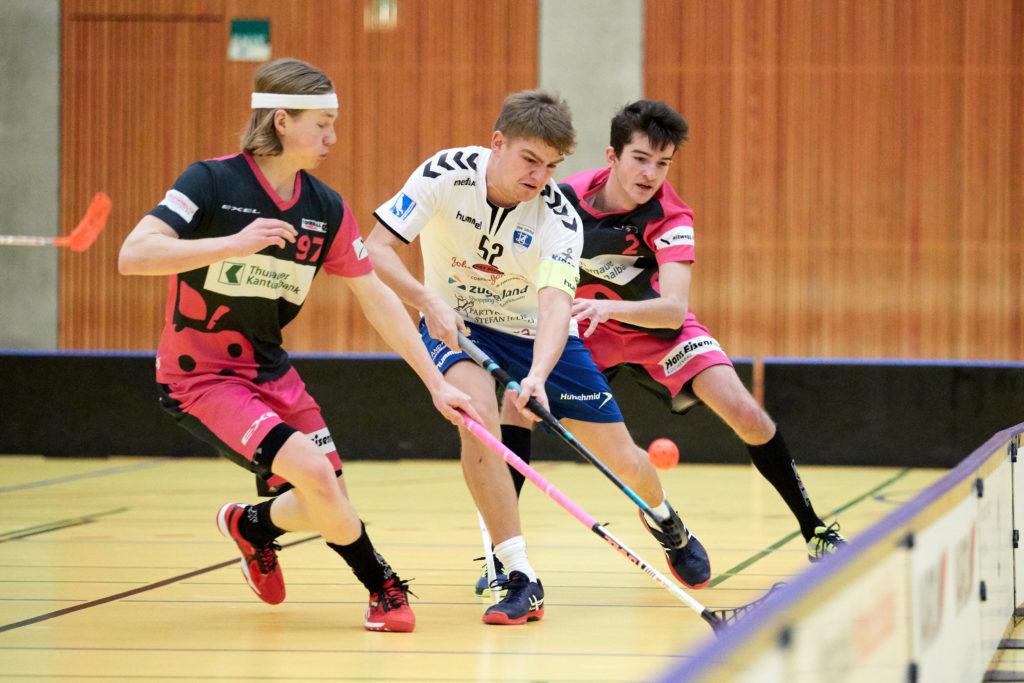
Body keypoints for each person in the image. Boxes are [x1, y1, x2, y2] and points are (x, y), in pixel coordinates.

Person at [118, 58, 478, 633]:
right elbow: (133, 254)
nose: (333, 137)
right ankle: (384, 588)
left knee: (324, 494)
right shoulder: (209, 182)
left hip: (270, 373)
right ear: (281, 120)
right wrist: (230, 244)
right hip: (199, 376)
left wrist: (436, 383)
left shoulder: (326, 208)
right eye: (322, 123)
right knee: (313, 471)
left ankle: (252, 527)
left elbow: (376, 297)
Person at [365, 89, 710, 626]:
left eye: (552, 166)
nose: (539, 176)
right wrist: (427, 300)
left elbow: (555, 306)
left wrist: (540, 376)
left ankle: (665, 519)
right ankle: (519, 574)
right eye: (530, 160)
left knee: (626, 461)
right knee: (477, 420)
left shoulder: (559, 220)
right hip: (456, 324)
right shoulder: (443, 175)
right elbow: (376, 248)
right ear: (497, 143)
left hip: (536, 332)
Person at [503, 98, 847, 564]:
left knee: (747, 413)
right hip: (586, 328)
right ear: (612, 157)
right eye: (640, 159)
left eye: (662, 164)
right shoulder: (563, 200)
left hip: (653, 328)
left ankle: (814, 531)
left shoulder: (671, 216)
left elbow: (671, 310)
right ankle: (503, 554)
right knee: (517, 406)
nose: (650, 174)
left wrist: (614, 309)